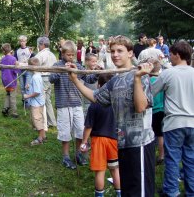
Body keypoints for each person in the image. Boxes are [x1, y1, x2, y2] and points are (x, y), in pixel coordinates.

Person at [69, 35, 155, 196]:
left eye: (120, 51)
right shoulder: (114, 81)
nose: (115, 54)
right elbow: (95, 96)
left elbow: (141, 106)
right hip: (121, 144)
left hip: (140, 144)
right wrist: (74, 79)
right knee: (128, 189)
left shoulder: (141, 75)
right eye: (113, 51)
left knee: (140, 191)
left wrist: (137, 79)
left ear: (130, 53)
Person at [140, 40, 194, 196]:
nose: (168, 58)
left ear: (177, 55)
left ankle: (171, 191)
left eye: (170, 54)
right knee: (190, 159)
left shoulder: (168, 73)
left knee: (172, 159)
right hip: (192, 123)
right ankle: (191, 192)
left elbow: (150, 94)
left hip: (174, 123)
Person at [50, 40, 98, 169]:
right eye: (68, 55)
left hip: (77, 103)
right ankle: (66, 157)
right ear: (63, 53)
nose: (70, 57)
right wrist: (62, 70)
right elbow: (51, 79)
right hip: (63, 104)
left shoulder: (78, 65)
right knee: (65, 132)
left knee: (79, 131)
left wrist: (96, 73)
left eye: (72, 55)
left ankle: (78, 154)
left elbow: (88, 79)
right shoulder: (57, 65)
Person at [81, 74, 121, 197]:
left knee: (100, 170)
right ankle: (119, 194)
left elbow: (89, 126)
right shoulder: (117, 102)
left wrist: (84, 142)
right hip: (114, 139)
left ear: (99, 85)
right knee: (115, 169)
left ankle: (99, 195)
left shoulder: (95, 103)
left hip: (98, 140)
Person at [35, 36, 57, 127]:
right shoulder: (52, 54)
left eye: (39, 45)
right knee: (47, 100)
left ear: (42, 45)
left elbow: (33, 64)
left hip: (43, 78)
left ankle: (44, 124)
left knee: (41, 100)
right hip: (50, 79)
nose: (38, 47)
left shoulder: (41, 54)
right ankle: (52, 121)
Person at [23, 57, 46, 145]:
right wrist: (29, 86)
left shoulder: (35, 77)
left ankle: (40, 139)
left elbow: (37, 92)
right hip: (39, 102)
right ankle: (43, 136)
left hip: (36, 103)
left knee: (37, 120)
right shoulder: (37, 76)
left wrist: (27, 96)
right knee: (40, 119)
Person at [0, 43, 19, 118]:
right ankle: (14, 112)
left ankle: (5, 109)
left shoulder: (3, 59)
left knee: (8, 94)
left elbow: (1, 68)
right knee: (13, 96)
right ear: (10, 49)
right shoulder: (13, 59)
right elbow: (16, 70)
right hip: (11, 80)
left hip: (5, 80)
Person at [14, 35, 32, 106]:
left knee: (27, 86)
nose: (22, 43)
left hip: (28, 71)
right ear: (19, 42)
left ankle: (28, 102)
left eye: (23, 41)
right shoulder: (17, 51)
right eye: (21, 41)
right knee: (22, 87)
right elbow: (15, 60)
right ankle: (24, 100)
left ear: (26, 41)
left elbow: (33, 60)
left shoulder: (29, 50)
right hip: (20, 71)